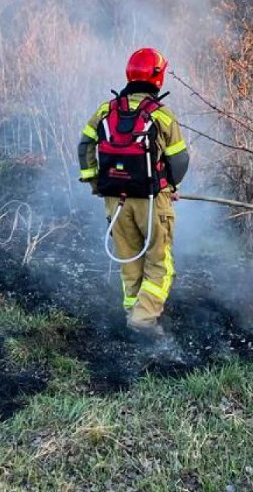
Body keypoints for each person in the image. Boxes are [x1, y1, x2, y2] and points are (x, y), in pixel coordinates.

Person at [77, 47, 190, 338]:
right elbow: (180, 159)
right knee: (160, 264)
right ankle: (142, 321)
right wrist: (171, 186)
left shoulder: (106, 111)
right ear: (158, 78)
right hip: (152, 200)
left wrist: (95, 183)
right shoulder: (162, 116)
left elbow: (84, 145)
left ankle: (133, 309)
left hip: (115, 199)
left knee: (128, 259)